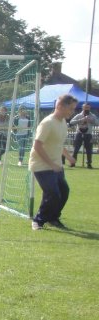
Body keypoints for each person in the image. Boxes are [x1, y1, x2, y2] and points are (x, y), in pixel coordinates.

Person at [30, 92, 77, 231]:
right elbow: (37, 145)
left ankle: (53, 218)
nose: (72, 112)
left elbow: (58, 144)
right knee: (53, 193)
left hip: (56, 165)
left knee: (64, 192)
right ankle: (38, 220)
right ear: (60, 106)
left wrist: (69, 157)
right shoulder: (47, 123)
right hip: (41, 165)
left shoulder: (62, 122)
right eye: (71, 108)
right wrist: (51, 164)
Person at [69, 102, 98, 168]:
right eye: (85, 107)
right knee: (76, 149)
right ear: (82, 108)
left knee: (89, 150)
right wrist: (81, 120)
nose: (86, 109)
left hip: (88, 134)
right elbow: (71, 122)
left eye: (87, 107)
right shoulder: (79, 115)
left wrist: (92, 120)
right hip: (79, 134)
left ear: (90, 108)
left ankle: (89, 164)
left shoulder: (93, 116)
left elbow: (97, 123)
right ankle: (73, 163)